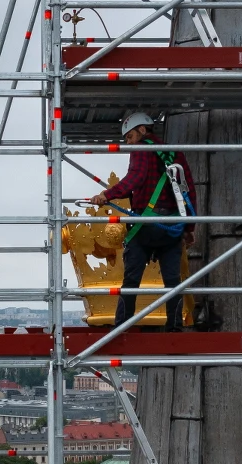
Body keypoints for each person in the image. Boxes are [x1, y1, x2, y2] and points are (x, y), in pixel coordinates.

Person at [90, 111, 198, 332]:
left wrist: (106, 195)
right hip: (171, 226)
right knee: (172, 281)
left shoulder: (141, 149)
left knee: (131, 280)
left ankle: (122, 327)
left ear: (141, 130)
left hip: (145, 225)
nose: (128, 143)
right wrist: (188, 227)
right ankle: (174, 328)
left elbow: (135, 178)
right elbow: (188, 190)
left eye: (129, 137)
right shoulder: (174, 152)